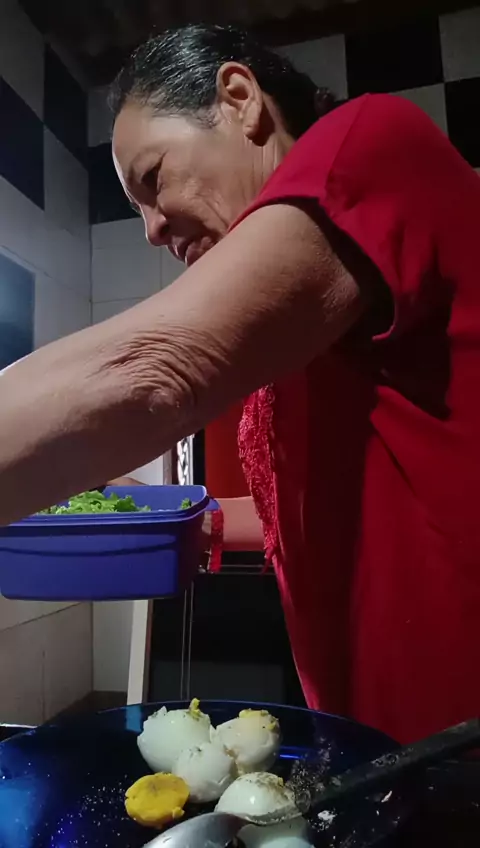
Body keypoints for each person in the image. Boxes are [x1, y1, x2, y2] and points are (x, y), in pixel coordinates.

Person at [0, 23, 479, 745]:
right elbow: (315, 504)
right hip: (378, 739)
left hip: (457, 735)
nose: (152, 230)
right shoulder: (311, 326)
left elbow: (151, 373)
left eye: (153, 179)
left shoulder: (365, 142)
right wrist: (179, 520)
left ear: (239, 99)